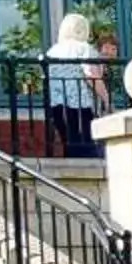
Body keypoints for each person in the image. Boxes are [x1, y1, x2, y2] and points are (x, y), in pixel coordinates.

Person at [44, 12, 99, 158]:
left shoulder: (52, 51)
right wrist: (106, 99)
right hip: (80, 104)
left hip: (56, 105)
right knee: (86, 144)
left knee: (69, 142)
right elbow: (91, 74)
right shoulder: (83, 48)